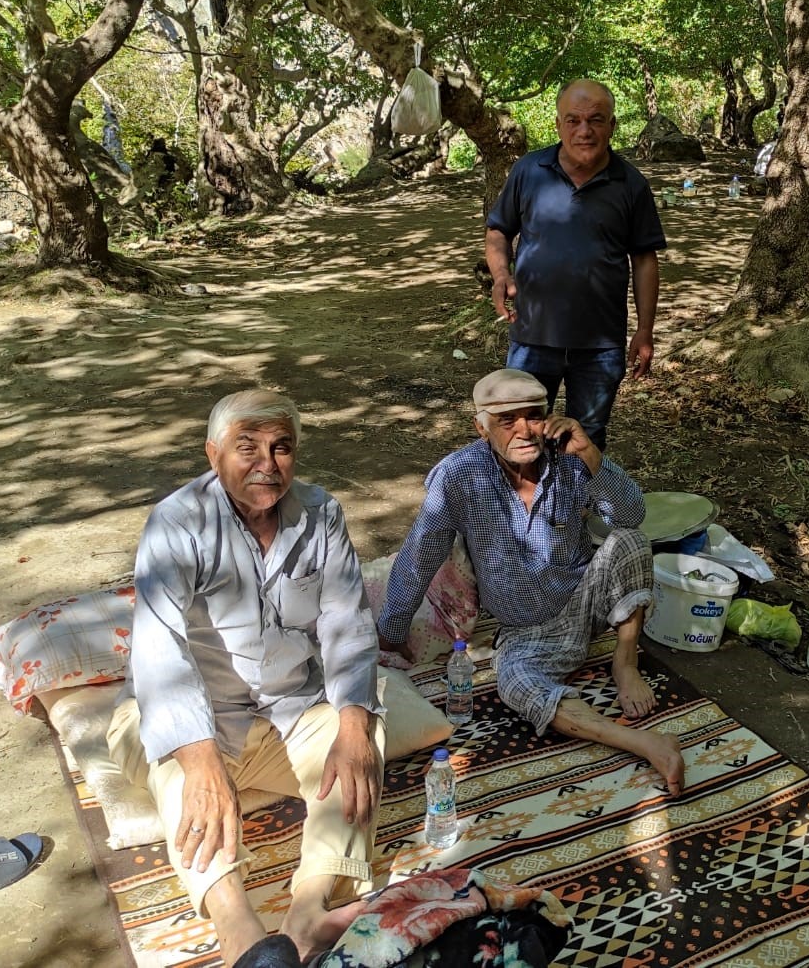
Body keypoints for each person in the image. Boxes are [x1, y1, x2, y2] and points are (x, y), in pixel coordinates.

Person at [107, 389, 384, 967]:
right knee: (173, 765)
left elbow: (347, 623)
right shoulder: (177, 523)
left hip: (289, 708)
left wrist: (353, 728)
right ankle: (239, 931)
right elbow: (160, 652)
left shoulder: (321, 513)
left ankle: (308, 910)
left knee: (362, 737)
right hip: (207, 721)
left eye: (282, 448)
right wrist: (201, 760)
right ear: (214, 456)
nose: (267, 463)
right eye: (247, 448)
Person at [377, 368, 685, 796]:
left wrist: (591, 456)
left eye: (533, 416)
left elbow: (631, 515)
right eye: (507, 420)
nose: (524, 430)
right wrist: (391, 631)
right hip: (525, 631)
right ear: (480, 427)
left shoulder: (571, 459)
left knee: (629, 541)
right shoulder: (458, 477)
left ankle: (624, 662)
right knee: (515, 685)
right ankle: (642, 742)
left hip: (584, 601)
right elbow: (420, 554)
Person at [485, 79, 666, 451]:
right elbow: (498, 230)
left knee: (586, 438)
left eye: (597, 120)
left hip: (600, 345)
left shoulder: (631, 184)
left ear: (612, 126)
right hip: (533, 337)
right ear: (558, 125)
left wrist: (644, 331)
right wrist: (501, 275)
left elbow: (645, 259)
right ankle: (527, 508)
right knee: (521, 434)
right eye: (573, 120)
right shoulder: (529, 171)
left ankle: (577, 507)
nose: (585, 131)